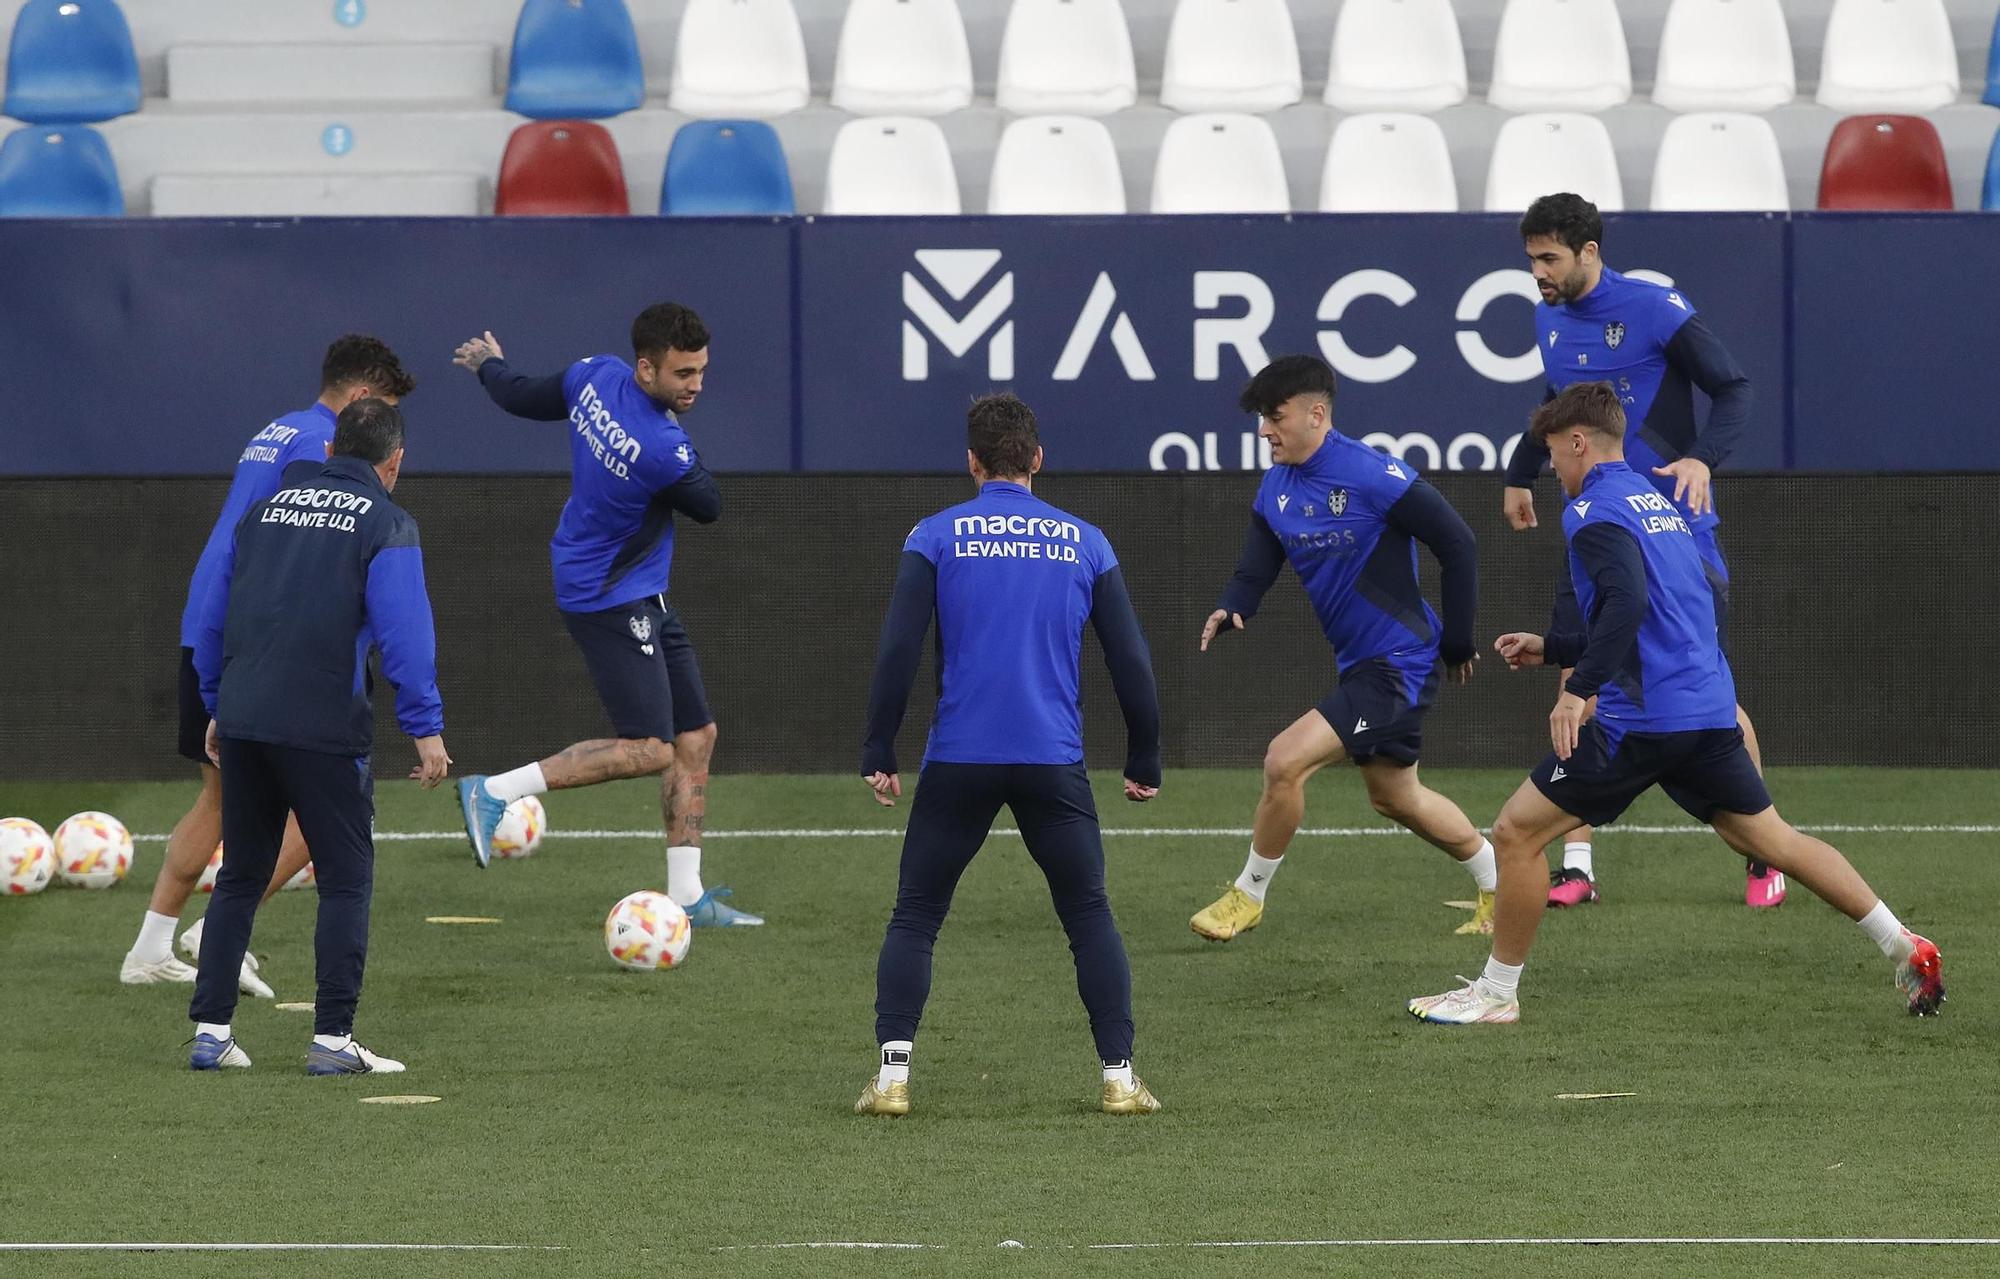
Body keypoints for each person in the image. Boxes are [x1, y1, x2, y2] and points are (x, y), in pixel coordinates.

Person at [1410, 384, 1943, 1026]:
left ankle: (1496, 994)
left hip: (1643, 721)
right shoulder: (1658, 506)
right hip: (1709, 712)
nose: (1552, 470)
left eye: (1554, 455)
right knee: (1777, 839)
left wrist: (1577, 691)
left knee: (1515, 833)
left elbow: (1628, 606)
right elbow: (1656, 615)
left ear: (1580, 443)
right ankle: (1905, 944)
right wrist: (1552, 646)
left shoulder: (1592, 513)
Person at [856, 393, 1163, 1118]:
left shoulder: (935, 535)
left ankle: (893, 1078)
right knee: (1088, 913)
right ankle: (1120, 1079)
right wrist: (1145, 753)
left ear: (971, 463)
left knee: (917, 914)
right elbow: (1132, 659)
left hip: (960, 755)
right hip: (1050, 757)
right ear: (1036, 458)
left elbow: (898, 650)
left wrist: (879, 743)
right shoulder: (1086, 541)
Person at [1500, 192, 1783, 911]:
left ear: (1589, 253)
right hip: (1598, 524)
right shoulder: (1548, 316)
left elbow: (1735, 388)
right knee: (1583, 671)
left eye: (1549, 257)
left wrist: (1702, 460)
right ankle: (1577, 863)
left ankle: (1762, 856)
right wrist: (1517, 473)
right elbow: (1557, 401)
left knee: (1708, 690)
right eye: (1531, 257)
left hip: (1672, 526)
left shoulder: (1654, 307)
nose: (1537, 270)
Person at [122, 335, 417, 996]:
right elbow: (301, 554)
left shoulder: (280, 428)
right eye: (388, 410)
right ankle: (219, 928)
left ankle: (149, 946)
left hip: (213, 621)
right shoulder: (322, 446)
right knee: (333, 809)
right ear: (365, 398)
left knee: (223, 798)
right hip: (267, 641)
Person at [449, 304, 758, 927]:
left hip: (635, 586)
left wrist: (489, 366)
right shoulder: (662, 446)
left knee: (697, 737)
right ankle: (495, 791)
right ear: (645, 368)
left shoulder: (595, 375)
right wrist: (674, 440)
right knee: (650, 749)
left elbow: (522, 395)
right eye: (682, 374)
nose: (695, 384)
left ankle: (686, 896)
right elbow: (710, 505)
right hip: (607, 592)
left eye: (701, 371)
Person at [1189, 355, 1499, 942]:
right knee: (1396, 798)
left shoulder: (1372, 474)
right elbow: (1258, 563)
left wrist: (1458, 641)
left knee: (1284, 761)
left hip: (1401, 664)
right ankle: (1498, 885)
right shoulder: (1275, 485)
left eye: (1275, 417)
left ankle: (1247, 896)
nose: (1264, 431)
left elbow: (1459, 543)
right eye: (1261, 418)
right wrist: (1235, 604)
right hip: (1364, 664)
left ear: (1317, 413)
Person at [188, 398, 450, 1072]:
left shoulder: (263, 510)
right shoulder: (388, 522)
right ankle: (332, 1039)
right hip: (323, 727)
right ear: (394, 465)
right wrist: (425, 729)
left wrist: (219, 702)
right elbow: (405, 636)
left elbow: (217, 609)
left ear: (330, 451)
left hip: (246, 717)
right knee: (345, 878)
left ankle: (212, 1035)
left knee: (240, 875)